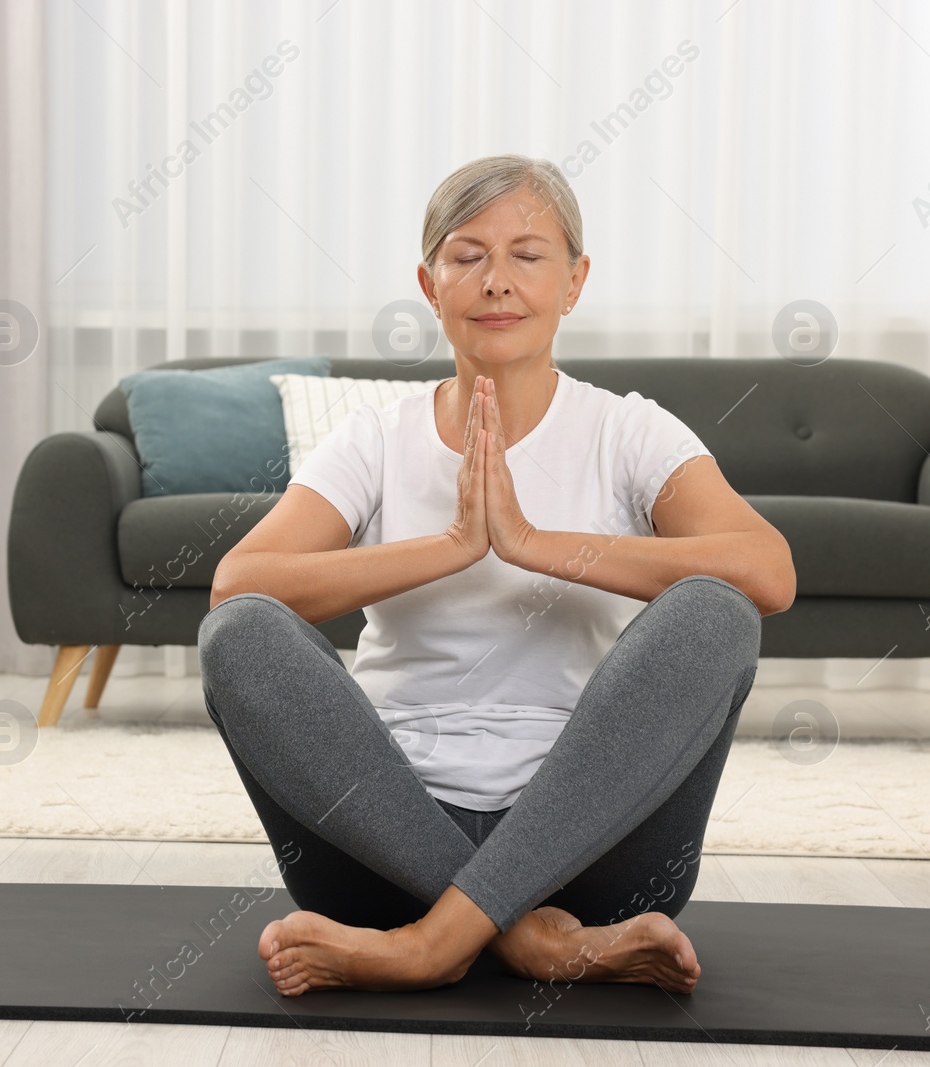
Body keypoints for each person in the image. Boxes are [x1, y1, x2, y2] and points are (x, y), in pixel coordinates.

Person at [198, 154, 796, 998]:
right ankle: (528, 940)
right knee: (239, 635)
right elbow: (239, 583)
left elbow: (767, 569)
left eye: (528, 253)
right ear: (429, 281)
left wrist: (529, 540)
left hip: (591, 853)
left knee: (716, 612)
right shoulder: (374, 439)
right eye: (468, 254)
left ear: (575, 279)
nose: (497, 282)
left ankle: (430, 945)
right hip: (378, 856)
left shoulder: (629, 432)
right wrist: (451, 545)